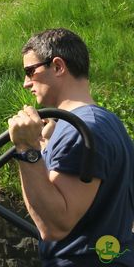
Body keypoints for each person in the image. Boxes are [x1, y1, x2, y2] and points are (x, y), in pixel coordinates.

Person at [8, 28, 133, 266]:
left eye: (29, 72)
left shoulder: (80, 129)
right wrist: (43, 149)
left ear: (57, 66)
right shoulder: (106, 121)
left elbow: (56, 226)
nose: (26, 83)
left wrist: (27, 149)